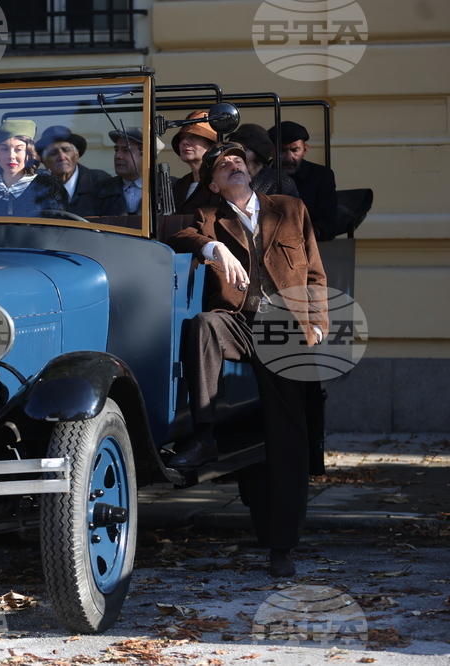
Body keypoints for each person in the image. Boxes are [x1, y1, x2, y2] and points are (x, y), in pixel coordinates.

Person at [166, 143, 328, 578]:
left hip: (285, 328)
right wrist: (211, 249)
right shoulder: (208, 215)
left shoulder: (289, 208)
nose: (234, 166)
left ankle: (283, 547)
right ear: (214, 183)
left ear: (251, 171)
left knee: (287, 436)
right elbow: (170, 231)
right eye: (223, 165)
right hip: (237, 320)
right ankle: (204, 434)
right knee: (203, 325)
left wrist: (317, 322)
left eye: (239, 161)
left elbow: (314, 270)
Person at [0, 119, 67, 217]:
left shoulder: (48, 186)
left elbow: (56, 228)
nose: (11, 156)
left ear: (29, 153)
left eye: (18, 149)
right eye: (4, 149)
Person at [269, 121, 339, 241]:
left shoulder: (321, 176)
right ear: (271, 151)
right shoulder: (259, 174)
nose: (289, 158)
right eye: (282, 151)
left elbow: (328, 223)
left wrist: (304, 235)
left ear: (305, 150)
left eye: (295, 150)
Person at [34, 125, 110, 217]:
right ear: (44, 161)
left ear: (76, 155)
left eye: (66, 150)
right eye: (53, 153)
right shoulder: (37, 188)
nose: (62, 157)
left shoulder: (100, 181)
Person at [82, 127, 147, 216]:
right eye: (116, 150)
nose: (118, 156)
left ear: (147, 156)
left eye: (126, 150)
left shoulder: (166, 188)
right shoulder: (98, 190)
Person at [228, 123, 299, 198]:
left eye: (244, 149)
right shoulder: (227, 178)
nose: (237, 154)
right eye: (235, 148)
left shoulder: (282, 183)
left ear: (259, 155)